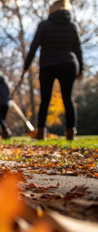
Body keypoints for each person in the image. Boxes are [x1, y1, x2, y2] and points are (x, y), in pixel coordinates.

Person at [23, 0, 83, 140]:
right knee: (68, 99)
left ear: (51, 10)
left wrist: (26, 67)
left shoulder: (44, 25)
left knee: (45, 100)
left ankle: (41, 132)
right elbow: (78, 49)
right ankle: (70, 132)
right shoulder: (72, 25)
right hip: (69, 63)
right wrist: (81, 68)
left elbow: (34, 47)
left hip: (48, 64)